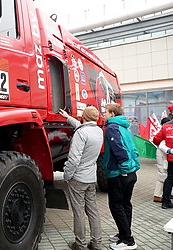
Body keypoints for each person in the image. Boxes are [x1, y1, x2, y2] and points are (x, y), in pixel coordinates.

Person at [59, 106, 103, 250]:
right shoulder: (98, 131)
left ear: (83, 117)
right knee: (93, 211)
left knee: (79, 213)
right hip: (91, 178)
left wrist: (66, 175)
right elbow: (82, 128)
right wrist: (68, 117)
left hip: (77, 179)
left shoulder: (81, 133)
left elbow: (73, 159)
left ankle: (80, 245)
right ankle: (96, 244)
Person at [103, 103, 140, 250]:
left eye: (105, 112)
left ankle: (128, 240)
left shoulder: (112, 128)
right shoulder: (124, 127)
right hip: (130, 172)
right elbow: (132, 148)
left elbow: (119, 149)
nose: (104, 114)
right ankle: (123, 233)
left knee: (116, 205)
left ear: (112, 113)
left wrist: (124, 168)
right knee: (125, 204)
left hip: (119, 173)